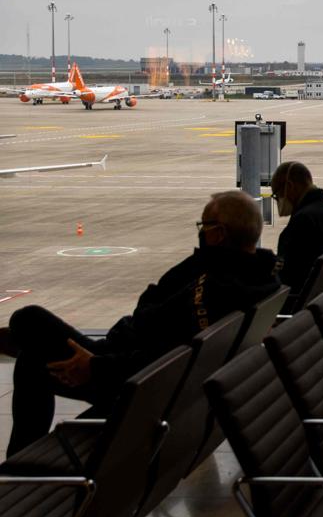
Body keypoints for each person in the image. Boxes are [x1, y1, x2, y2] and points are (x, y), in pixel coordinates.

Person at [2, 191, 280, 456]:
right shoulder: (256, 278)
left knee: (27, 320)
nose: (200, 232)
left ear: (219, 234)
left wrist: (95, 367)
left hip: (130, 381)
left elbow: (162, 350)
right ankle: (19, 465)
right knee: (31, 360)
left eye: (203, 226)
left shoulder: (215, 286)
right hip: (152, 378)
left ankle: (18, 468)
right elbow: (158, 311)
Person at [270, 161, 323, 303]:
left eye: (277, 195)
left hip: (297, 304)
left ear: (289, 187)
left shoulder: (302, 222)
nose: (278, 201)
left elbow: (286, 278)